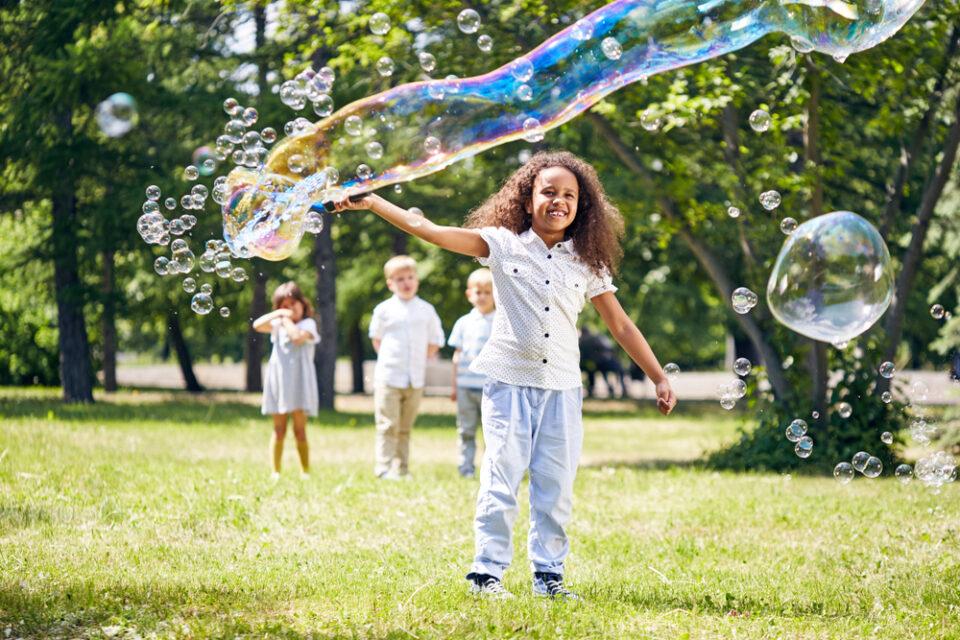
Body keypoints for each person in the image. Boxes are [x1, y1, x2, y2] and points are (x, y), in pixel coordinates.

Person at [331, 150, 677, 600]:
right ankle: (486, 575)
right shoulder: (501, 243)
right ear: (527, 197)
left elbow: (622, 325)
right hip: (508, 383)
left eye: (569, 195)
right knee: (501, 478)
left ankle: (549, 578)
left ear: (582, 205)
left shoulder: (587, 262)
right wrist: (374, 202)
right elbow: (429, 230)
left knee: (555, 487)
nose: (559, 201)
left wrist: (658, 376)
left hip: (563, 390)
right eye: (548, 191)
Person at [368, 255, 445, 480]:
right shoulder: (383, 310)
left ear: (417, 280)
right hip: (389, 376)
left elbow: (434, 341)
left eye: (410, 277)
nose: (406, 283)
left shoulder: (426, 310)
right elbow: (377, 340)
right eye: (400, 279)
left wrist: (418, 360)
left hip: (415, 378)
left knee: (405, 427)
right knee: (387, 424)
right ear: (390, 283)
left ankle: (402, 468)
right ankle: (383, 468)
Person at [252, 281, 321, 480]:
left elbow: (297, 337)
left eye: (293, 304)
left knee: (299, 429)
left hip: (300, 381)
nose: (290, 309)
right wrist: (279, 315)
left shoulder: (308, 325)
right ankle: (276, 472)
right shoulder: (279, 323)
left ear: (303, 303)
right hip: (279, 381)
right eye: (284, 305)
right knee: (279, 429)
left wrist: (285, 319)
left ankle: (305, 471)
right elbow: (257, 325)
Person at [448, 267, 496, 479]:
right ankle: (466, 466)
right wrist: (454, 386)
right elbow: (457, 356)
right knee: (466, 430)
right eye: (479, 292)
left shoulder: (501, 322)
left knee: (492, 432)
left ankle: (491, 469)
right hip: (466, 385)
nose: (483, 297)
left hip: (491, 387)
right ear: (469, 295)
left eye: (488, 292)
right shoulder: (463, 323)